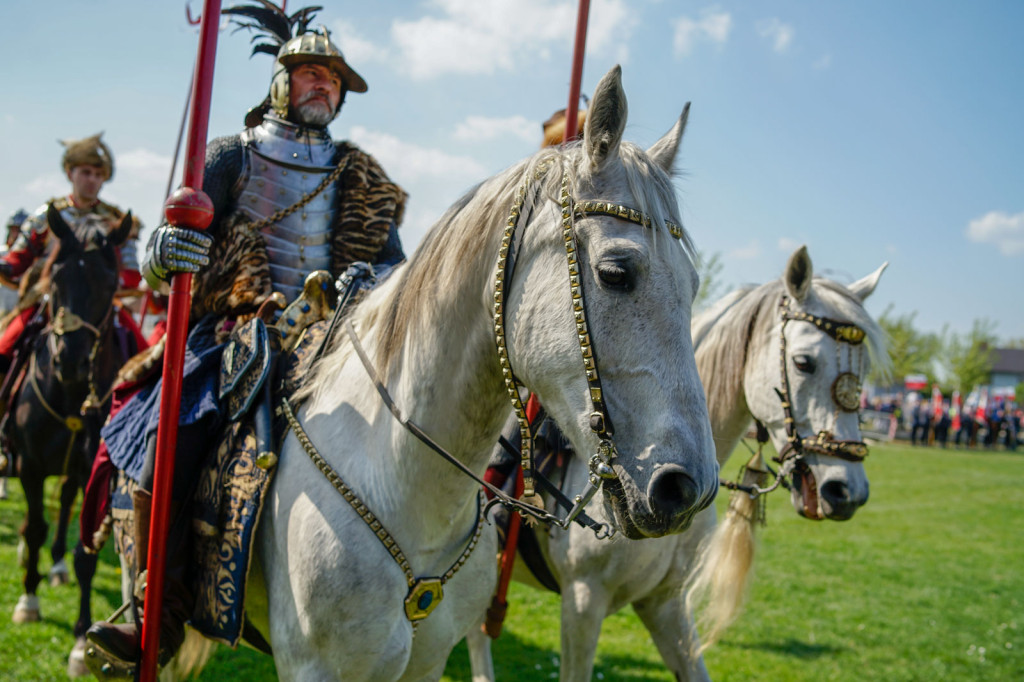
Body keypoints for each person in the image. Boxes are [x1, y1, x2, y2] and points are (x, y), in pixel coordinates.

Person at [85, 13, 407, 671]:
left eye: (335, 79)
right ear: (282, 82)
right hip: (237, 330)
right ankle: (160, 606)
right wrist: (162, 251)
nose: (325, 86)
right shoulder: (233, 153)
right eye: (312, 74)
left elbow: (398, 265)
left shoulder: (360, 175)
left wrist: (369, 276)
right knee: (172, 437)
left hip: (337, 335)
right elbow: (169, 230)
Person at [0, 134, 145, 382]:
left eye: (98, 175)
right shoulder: (46, 216)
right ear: (70, 173)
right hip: (50, 302)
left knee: (145, 362)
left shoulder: (117, 221)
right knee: (4, 348)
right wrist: (6, 266)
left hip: (101, 305)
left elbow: (130, 274)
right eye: (86, 172)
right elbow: (19, 257)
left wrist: (106, 283)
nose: (92, 180)